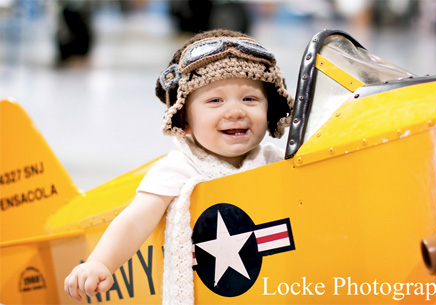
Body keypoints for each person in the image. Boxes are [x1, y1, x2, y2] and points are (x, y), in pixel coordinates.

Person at [63, 29, 294, 304]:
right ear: (184, 120)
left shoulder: (274, 161)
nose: (235, 111)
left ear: (270, 111)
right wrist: (100, 263)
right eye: (215, 101)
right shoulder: (178, 169)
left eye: (250, 99)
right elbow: (135, 220)